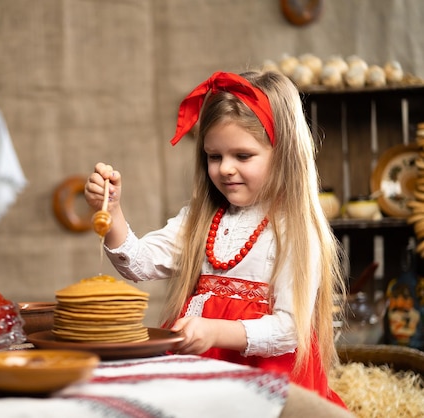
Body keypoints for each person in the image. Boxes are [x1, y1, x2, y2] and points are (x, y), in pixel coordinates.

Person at [84, 70, 348, 408]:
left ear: (282, 154)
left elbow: (289, 329)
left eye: (242, 156)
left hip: (266, 382)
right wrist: (113, 211)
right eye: (214, 156)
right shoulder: (201, 219)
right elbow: (140, 264)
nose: (225, 168)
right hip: (201, 370)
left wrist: (216, 332)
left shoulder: (295, 229)